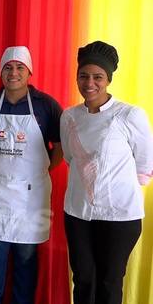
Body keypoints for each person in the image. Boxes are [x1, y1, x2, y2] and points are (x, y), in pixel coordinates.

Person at [61, 41, 153, 304]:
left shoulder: (129, 115)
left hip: (119, 216)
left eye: (97, 77)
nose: (89, 82)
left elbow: (145, 164)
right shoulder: (69, 117)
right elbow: (70, 157)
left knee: (109, 281)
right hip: (78, 213)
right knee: (83, 279)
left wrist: (112, 188)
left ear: (108, 79)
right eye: (83, 76)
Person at [0, 46, 63, 304]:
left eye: (19, 67)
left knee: (26, 263)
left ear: (29, 72)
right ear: (1, 72)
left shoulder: (47, 106)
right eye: (8, 68)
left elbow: (59, 148)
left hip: (30, 200)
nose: (13, 73)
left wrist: (39, 172)